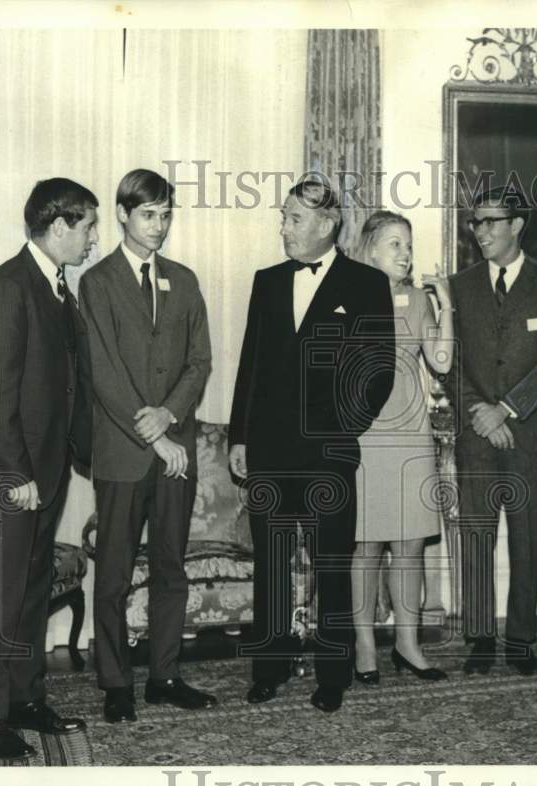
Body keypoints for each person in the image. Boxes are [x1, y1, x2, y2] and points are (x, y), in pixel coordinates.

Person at [229, 179, 395, 713]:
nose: (283, 228)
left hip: (330, 453)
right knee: (272, 565)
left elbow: (378, 372)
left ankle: (333, 676)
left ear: (326, 225)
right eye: (283, 217)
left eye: (293, 219)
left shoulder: (367, 284)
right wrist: (240, 436)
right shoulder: (267, 281)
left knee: (330, 566)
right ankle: (269, 669)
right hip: (270, 453)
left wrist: (342, 428)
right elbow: (250, 365)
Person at [0, 177, 97, 760]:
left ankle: (23, 696)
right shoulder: (11, 285)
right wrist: (17, 475)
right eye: (89, 226)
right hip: (10, 479)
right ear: (60, 226)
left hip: (44, 475)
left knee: (31, 591)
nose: (94, 238)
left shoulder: (58, 289)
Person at [79, 169, 214, 723]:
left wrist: (171, 415)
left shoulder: (182, 280)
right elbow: (105, 375)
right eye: (147, 215)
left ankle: (163, 675)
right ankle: (115, 682)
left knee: (170, 569)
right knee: (112, 574)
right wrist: (155, 435)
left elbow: (199, 361)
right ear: (122, 214)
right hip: (123, 455)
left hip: (174, 451)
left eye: (165, 215)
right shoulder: (97, 282)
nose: (157, 226)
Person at [446, 186, 537, 676]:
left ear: (518, 225)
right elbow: (448, 362)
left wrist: (507, 409)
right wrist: (480, 410)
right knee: (477, 537)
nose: (481, 232)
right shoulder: (459, 286)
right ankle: (481, 639)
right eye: (475, 223)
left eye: (491, 222)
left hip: (527, 434)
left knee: (526, 538)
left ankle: (521, 640)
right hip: (475, 433)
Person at [348, 211, 453, 684]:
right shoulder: (347, 295)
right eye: (394, 244)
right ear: (370, 249)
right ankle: (364, 644)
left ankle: (408, 645)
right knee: (366, 546)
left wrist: (445, 305)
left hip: (411, 434)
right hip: (366, 435)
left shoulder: (416, 300)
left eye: (407, 244)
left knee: (410, 545)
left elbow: (441, 361)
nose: (405, 253)